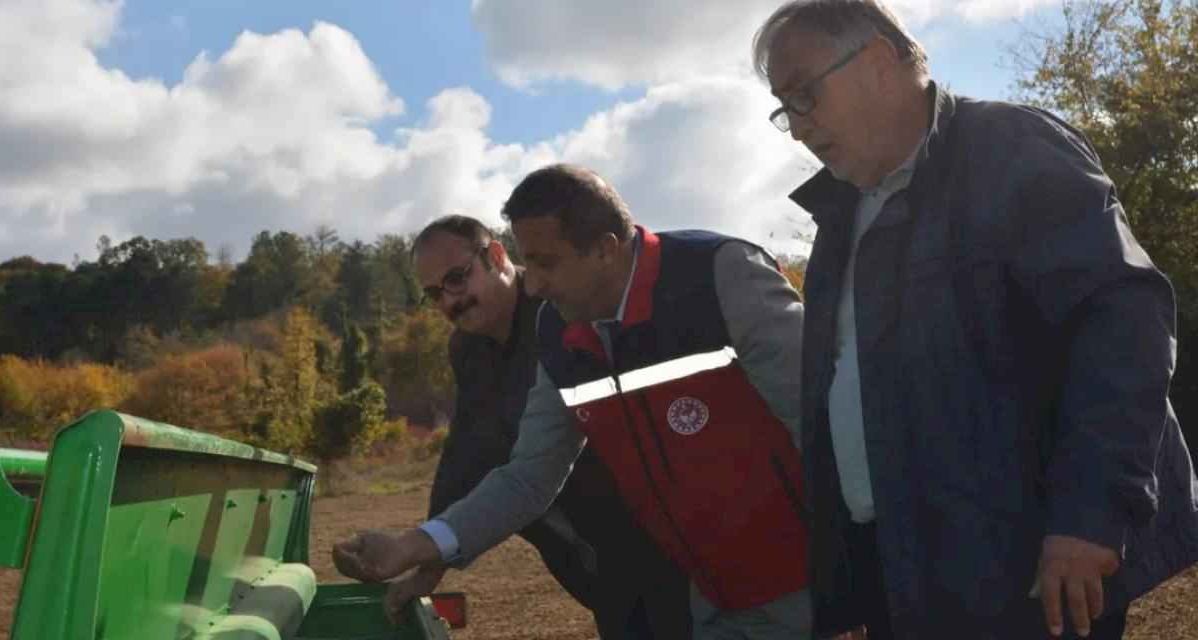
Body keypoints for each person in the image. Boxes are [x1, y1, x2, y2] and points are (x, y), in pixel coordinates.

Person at [750, 1, 1198, 638]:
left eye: (803, 96)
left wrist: (1088, 515)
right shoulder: (841, 213)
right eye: (784, 106)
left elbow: (1123, 322)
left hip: (1024, 570)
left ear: (877, 63)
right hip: (909, 570)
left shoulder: (1010, 149)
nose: (797, 128)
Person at [334, 164, 813, 639]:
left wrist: (849, 585)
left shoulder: (719, 275)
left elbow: (819, 422)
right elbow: (526, 476)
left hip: (802, 588)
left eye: (546, 263)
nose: (534, 284)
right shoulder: (559, 332)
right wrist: (419, 545)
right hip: (698, 594)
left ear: (605, 249)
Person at [391, 213, 691, 639]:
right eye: (434, 294)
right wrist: (430, 563)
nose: (450, 302)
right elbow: (468, 449)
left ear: (496, 255)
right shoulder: (467, 349)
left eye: (457, 278)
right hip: (592, 553)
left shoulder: (563, 310)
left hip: (665, 532)